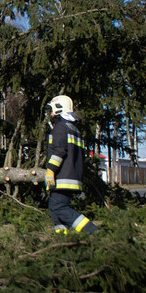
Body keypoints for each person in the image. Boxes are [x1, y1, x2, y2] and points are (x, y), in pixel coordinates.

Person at [44, 95, 99, 234]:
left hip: (63, 177)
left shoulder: (60, 128)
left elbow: (59, 152)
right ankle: (63, 238)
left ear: (59, 109)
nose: (51, 114)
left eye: (52, 110)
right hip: (73, 176)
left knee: (59, 207)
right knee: (53, 207)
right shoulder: (74, 129)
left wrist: (51, 170)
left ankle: (92, 231)